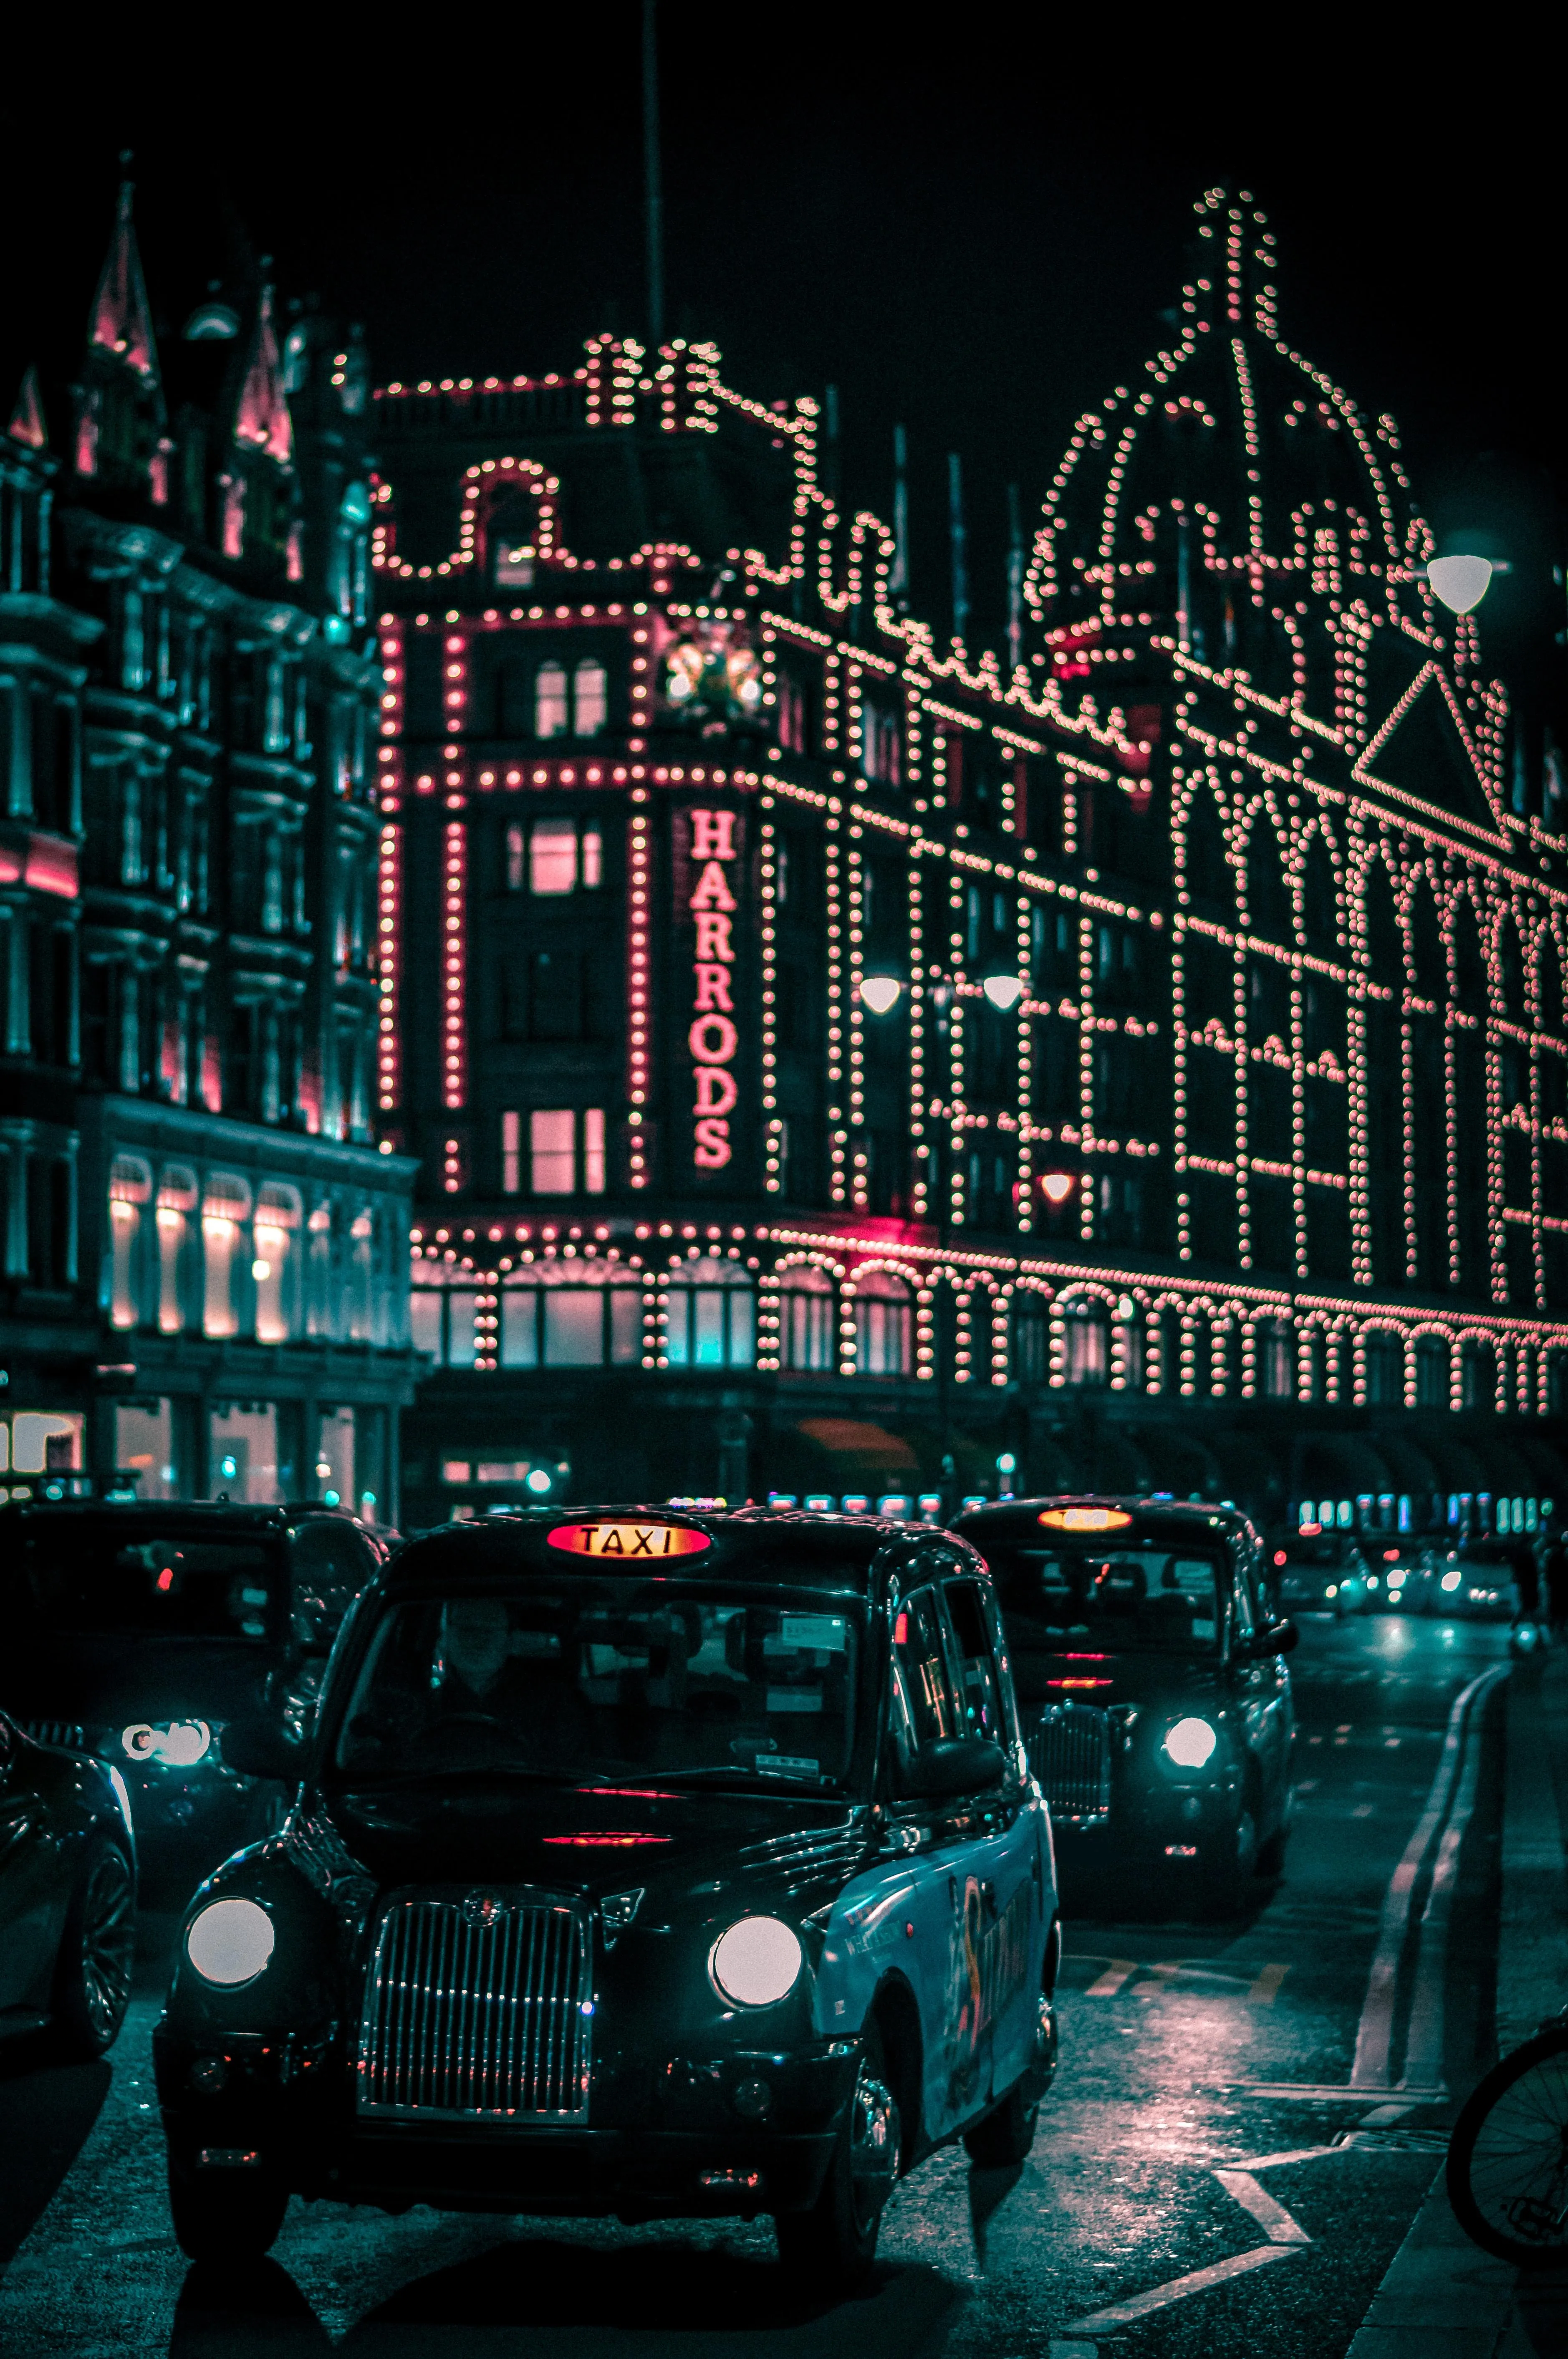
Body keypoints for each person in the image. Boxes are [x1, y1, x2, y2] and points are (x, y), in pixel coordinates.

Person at [1543, 1529, 1568, 1638]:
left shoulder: (1552, 1555)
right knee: (1562, 1608)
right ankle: (1559, 1627)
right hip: (1562, 1584)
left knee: (1555, 1607)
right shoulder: (1562, 1555)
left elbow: (1549, 1571)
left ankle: (1553, 1626)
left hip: (1555, 1585)